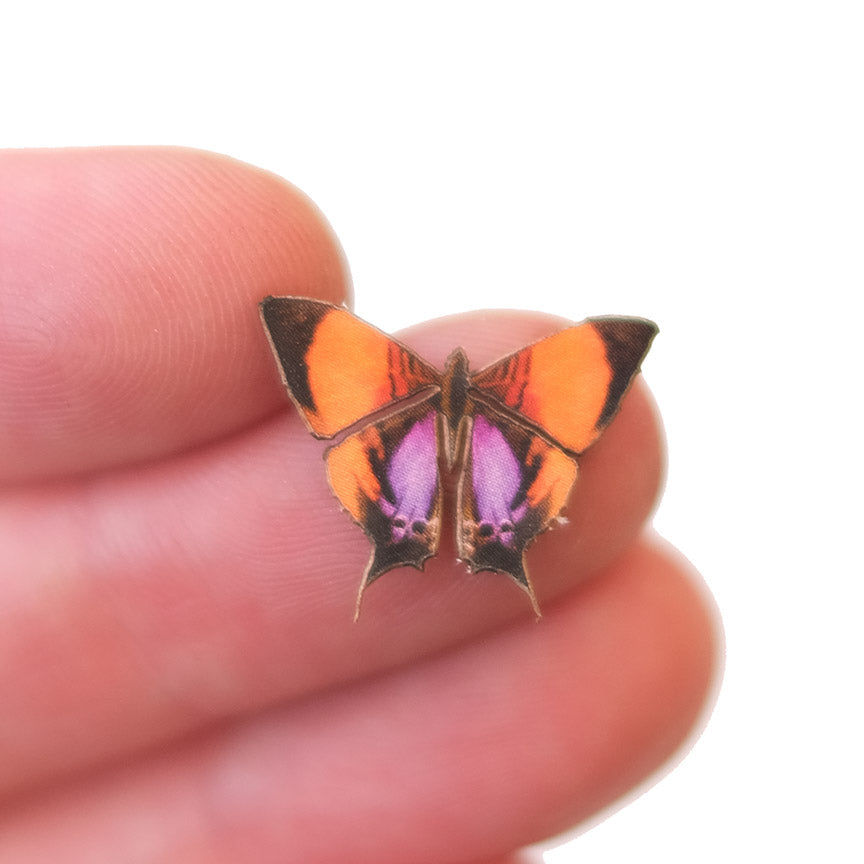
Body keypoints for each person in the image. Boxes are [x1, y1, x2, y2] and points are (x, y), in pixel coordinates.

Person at [0, 147, 718, 862]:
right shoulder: (522, 384)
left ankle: (422, 533)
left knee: (432, 503)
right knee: (495, 501)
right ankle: (475, 536)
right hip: (510, 442)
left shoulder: (391, 383)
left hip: (396, 443)